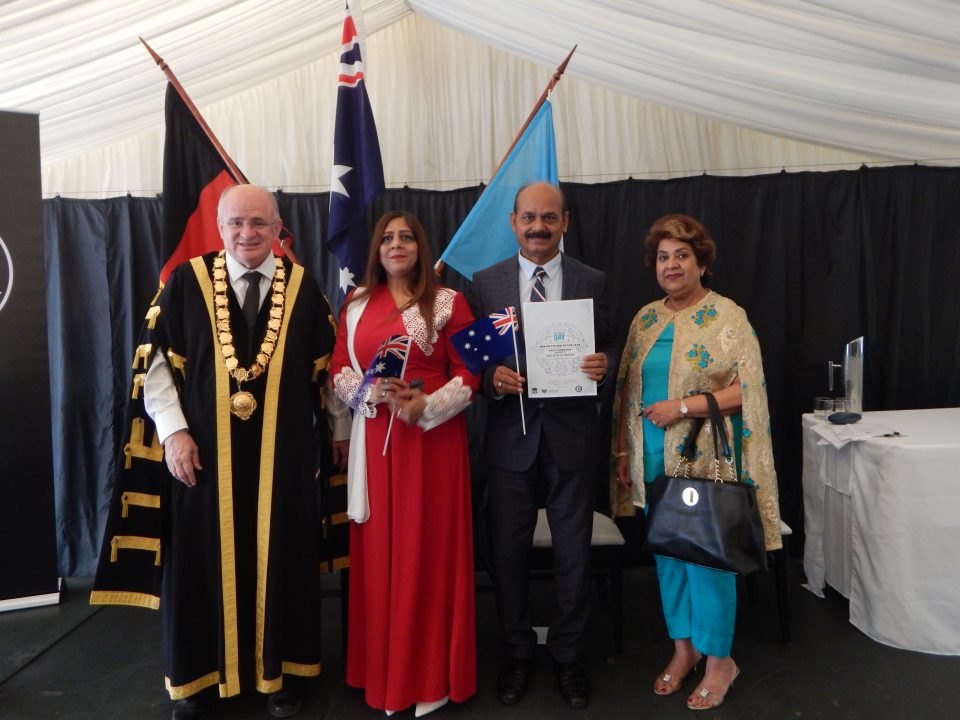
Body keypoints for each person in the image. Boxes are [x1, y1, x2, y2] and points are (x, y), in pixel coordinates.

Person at [93, 184, 348, 720]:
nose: (247, 233)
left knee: (284, 558)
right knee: (200, 563)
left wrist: (340, 433)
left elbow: (327, 371)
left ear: (279, 229)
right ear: (219, 227)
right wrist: (173, 435)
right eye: (235, 223)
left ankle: (285, 675)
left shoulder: (302, 287)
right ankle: (195, 679)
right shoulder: (186, 282)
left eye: (258, 223)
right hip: (204, 461)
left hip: (284, 459)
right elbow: (156, 365)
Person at [612, 213, 782, 711]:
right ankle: (683, 651)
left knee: (707, 562)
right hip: (649, 461)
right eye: (663, 257)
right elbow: (625, 392)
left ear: (701, 263)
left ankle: (719, 661)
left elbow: (748, 389)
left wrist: (684, 407)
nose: (672, 265)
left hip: (704, 462)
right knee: (668, 557)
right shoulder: (645, 319)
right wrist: (621, 453)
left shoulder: (727, 315)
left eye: (682, 255)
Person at [466, 182, 614, 711]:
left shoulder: (591, 280)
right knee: (507, 555)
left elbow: (611, 346)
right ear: (512, 222)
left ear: (565, 222)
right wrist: (490, 380)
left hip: (572, 439)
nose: (538, 227)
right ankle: (518, 652)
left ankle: (570, 656)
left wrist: (605, 364)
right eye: (528, 218)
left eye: (548, 218)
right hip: (510, 440)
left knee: (575, 555)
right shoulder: (485, 284)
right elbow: (473, 362)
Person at [330, 211, 479, 717]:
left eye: (407, 237)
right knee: (380, 556)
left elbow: (469, 372)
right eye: (388, 238)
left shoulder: (444, 302)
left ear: (420, 245)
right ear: (375, 248)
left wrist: (424, 406)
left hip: (432, 446)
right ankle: (384, 673)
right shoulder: (355, 305)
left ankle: (431, 676)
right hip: (375, 444)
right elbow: (337, 372)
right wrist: (369, 394)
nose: (397, 245)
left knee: (427, 552)